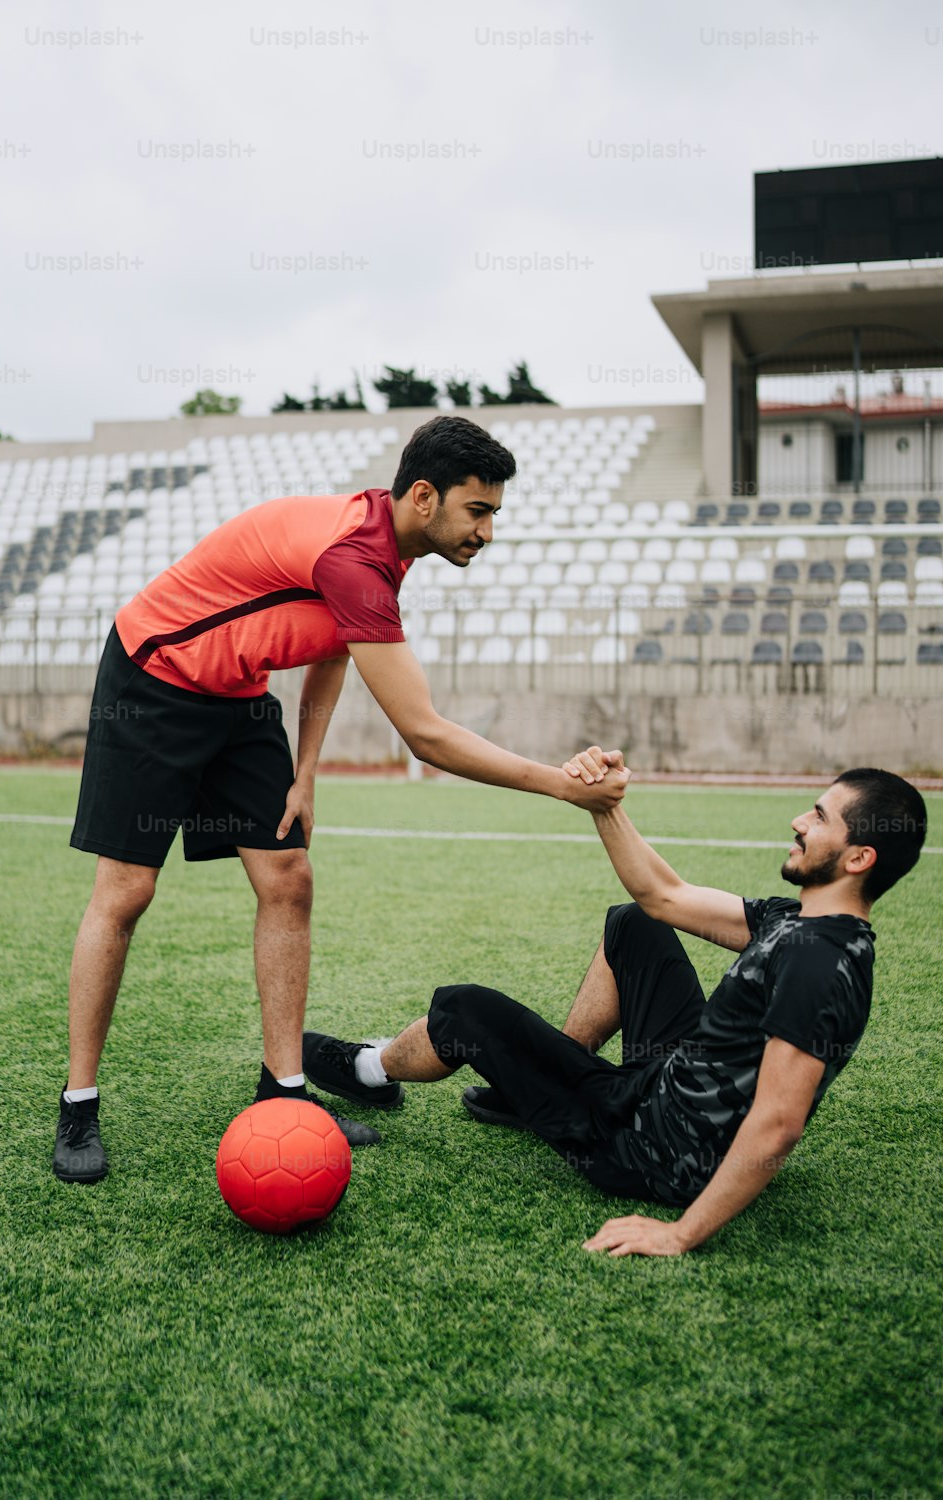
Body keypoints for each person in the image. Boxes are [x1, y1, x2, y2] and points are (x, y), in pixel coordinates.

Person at [53, 418, 626, 1184]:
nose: (488, 531)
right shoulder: (356, 557)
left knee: (288, 878)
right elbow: (424, 734)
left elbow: (330, 647)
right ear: (423, 497)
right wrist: (560, 783)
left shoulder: (389, 546)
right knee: (127, 891)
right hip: (155, 677)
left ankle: (283, 1093)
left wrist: (306, 769)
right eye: (478, 511)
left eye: (493, 514)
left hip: (239, 693)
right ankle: (79, 1104)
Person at [299, 755, 927, 1257]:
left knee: (464, 1010)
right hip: (671, 1082)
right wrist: (606, 805)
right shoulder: (802, 921)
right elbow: (665, 896)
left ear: (858, 858)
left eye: (819, 818)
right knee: (637, 924)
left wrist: (681, 1233)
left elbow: (780, 1124)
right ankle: (537, 1091)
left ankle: (370, 1070)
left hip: (654, 1149)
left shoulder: (818, 966)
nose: (798, 821)